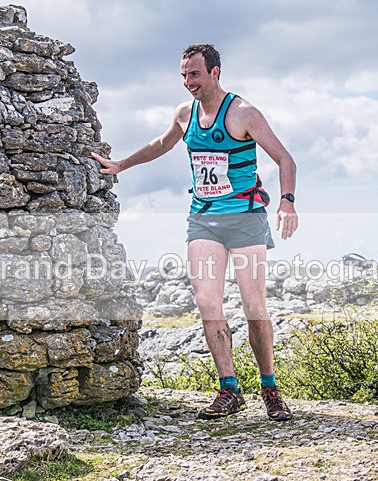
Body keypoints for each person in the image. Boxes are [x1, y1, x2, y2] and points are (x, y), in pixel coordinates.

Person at [91, 43, 298, 422]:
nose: (188, 82)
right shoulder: (184, 114)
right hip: (203, 218)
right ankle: (229, 390)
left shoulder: (243, 113)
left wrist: (287, 202)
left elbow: (285, 158)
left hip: (246, 217)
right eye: (184, 75)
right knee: (207, 302)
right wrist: (121, 164)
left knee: (254, 306)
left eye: (195, 74)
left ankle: (269, 388)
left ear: (215, 73)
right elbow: (161, 143)